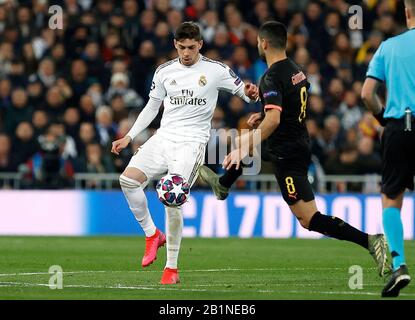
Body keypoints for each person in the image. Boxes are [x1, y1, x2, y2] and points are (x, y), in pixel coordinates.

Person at [198, 21, 390, 281]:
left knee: (308, 219)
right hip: (295, 141)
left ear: (264, 44)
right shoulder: (296, 70)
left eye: (257, 41)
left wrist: (248, 142)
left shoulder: (270, 76)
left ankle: (370, 241)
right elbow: (289, 105)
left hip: (286, 152)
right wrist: (262, 114)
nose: (257, 45)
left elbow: (275, 121)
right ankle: (223, 184)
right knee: (241, 138)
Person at [111, 22, 259, 285]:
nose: (187, 52)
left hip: (192, 144)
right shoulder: (164, 72)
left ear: (200, 44)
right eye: (182, 47)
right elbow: (151, 107)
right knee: (128, 180)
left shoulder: (216, 70)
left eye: (191, 47)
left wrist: (250, 93)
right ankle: (152, 235)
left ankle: (171, 268)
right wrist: (129, 136)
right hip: (164, 137)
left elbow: (244, 93)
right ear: (175, 45)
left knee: (172, 195)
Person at [361, 0, 415, 297]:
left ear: (407, 12)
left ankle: (400, 265)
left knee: (391, 198)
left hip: (399, 126)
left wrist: (382, 118)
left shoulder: (388, 46)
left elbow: (367, 94)